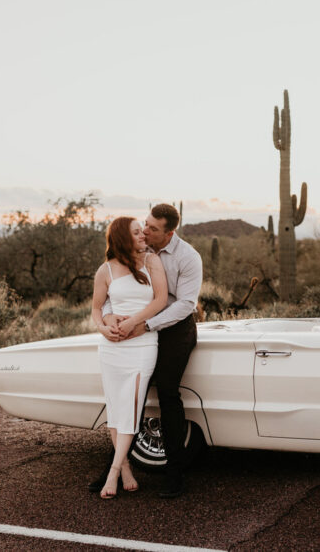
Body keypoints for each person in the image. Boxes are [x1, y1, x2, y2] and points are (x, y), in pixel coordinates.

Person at [101, 202, 202, 498]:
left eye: (153, 228)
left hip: (174, 329)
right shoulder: (134, 251)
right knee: (131, 397)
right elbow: (112, 289)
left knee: (168, 395)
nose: (145, 231)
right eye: (144, 224)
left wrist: (146, 326)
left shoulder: (188, 257)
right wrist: (108, 317)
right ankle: (115, 466)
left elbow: (185, 305)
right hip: (137, 328)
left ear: (170, 233)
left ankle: (175, 475)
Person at [90, 216, 168, 499]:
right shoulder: (106, 271)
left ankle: (112, 471)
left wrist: (133, 322)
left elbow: (160, 299)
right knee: (115, 406)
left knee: (132, 407)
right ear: (123, 238)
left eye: (142, 231)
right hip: (112, 347)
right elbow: (97, 309)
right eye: (136, 233)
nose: (143, 235)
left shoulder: (151, 262)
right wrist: (104, 328)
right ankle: (124, 469)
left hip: (142, 343)